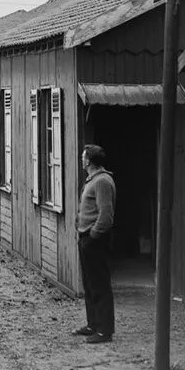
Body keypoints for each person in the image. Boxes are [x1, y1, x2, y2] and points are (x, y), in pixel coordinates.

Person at [74, 144, 117, 344]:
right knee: (90, 284)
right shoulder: (93, 180)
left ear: (89, 160)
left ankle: (104, 330)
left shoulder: (102, 182)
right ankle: (93, 324)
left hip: (95, 240)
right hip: (86, 238)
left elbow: (106, 216)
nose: (82, 160)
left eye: (83, 157)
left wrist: (93, 235)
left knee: (100, 284)